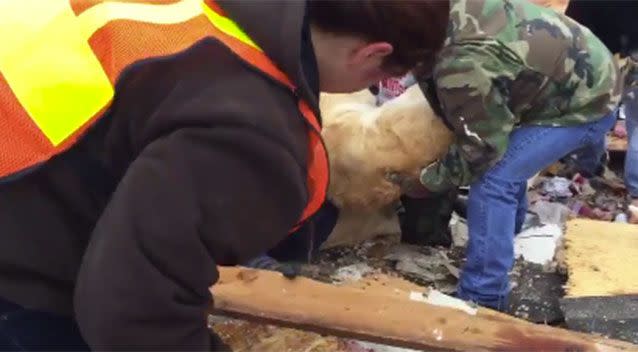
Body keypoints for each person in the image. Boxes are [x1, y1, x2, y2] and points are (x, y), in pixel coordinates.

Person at [0, 0, 450, 350]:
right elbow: (132, 310)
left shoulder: (202, 19)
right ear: (373, 54)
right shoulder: (250, 128)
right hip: (23, 281)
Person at [403, 0, 622, 311]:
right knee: (506, 166)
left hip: (589, 101)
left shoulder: (461, 60)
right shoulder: (437, 16)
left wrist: (426, 180)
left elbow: (483, 148)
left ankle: (484, 295)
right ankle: (508, 233)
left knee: (494, 178)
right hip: (576, 75)